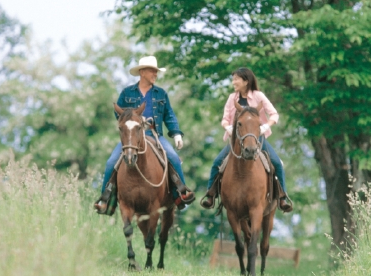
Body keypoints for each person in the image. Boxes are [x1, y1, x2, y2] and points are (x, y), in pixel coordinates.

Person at [95, 55, 195, 213]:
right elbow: (119, 114)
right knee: (111, 163)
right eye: (152, 71)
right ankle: (106, 200)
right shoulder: (127, 92)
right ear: (142, 72)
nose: (155, 74)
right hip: (131, 138)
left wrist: (176, 134)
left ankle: (180, 193)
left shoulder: (161, 94)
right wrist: (132, 120)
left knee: (173, 157)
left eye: (156, 71)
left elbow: (169, 115)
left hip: (156, 135)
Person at [200, 67, 293, 212]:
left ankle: (282, 197)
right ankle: (211, 195)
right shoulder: (232, 98)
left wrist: (265, 127)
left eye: (236, 79)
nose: (233, 82)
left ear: (246, 81)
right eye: (233, 79)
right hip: (236, 141)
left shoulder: (259, 96)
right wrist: (228, 128)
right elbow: (224, 119)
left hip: (258, 139)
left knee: (277, 164)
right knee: (217, 162)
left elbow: (274, 114)